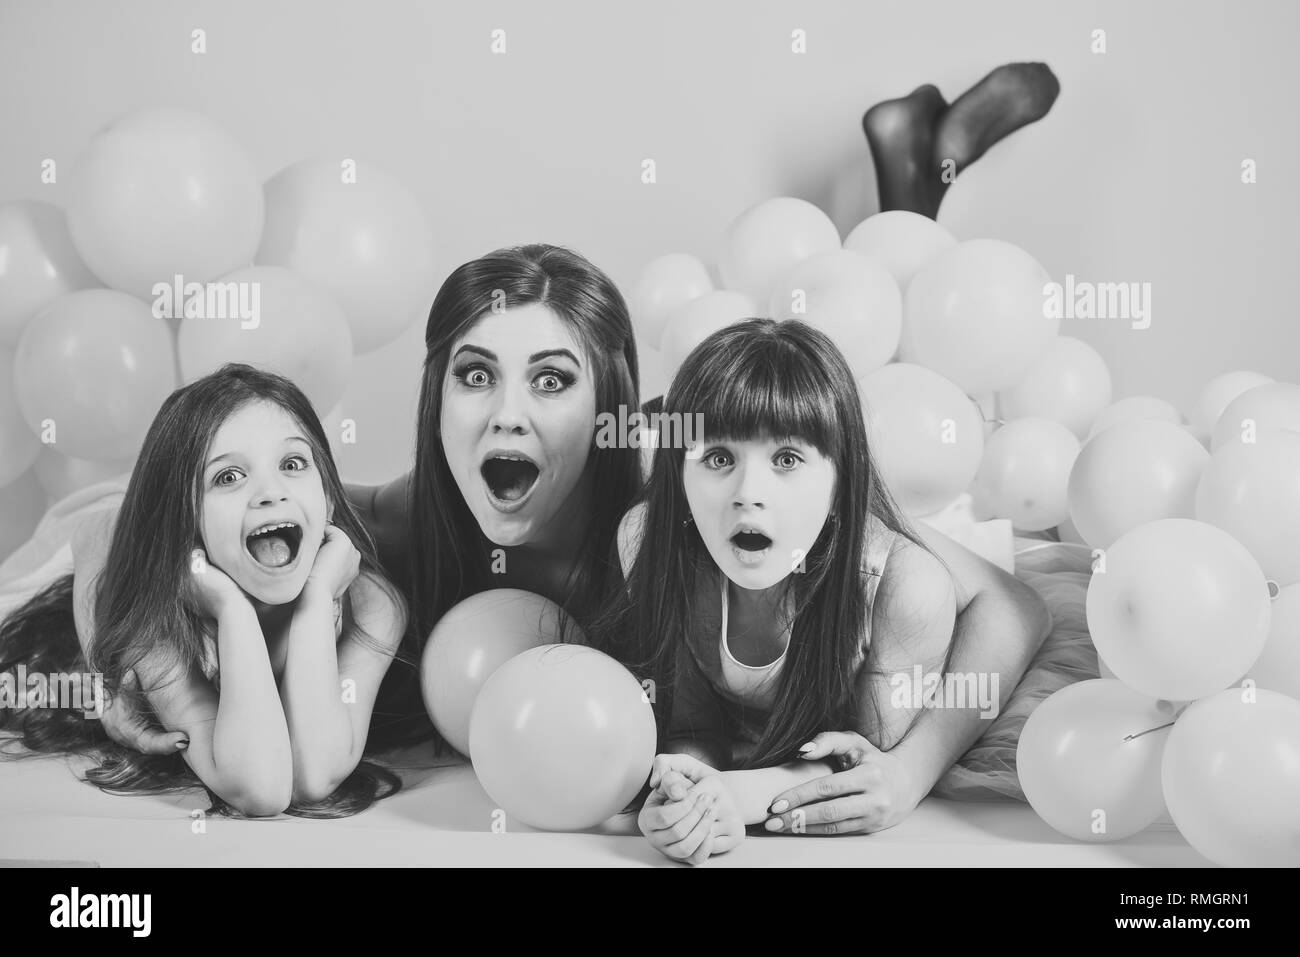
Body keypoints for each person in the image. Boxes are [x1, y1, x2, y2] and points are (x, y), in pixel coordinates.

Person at [602, 320, 1053, 863]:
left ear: (842, 486)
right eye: (719, 459)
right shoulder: (648, 540)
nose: (749, 495)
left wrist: (740, 797)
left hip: (903, 606)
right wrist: (685, 790)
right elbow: (695, 725)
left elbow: (864, 760)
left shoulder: (904, 587)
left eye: (785, 460)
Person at [0, 364, 408, 817]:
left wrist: (315, 603)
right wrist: (230, 609)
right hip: (92, 558)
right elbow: (260, 789)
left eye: (293, 464)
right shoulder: (158, 622)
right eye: (228, 477)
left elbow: (315, 774)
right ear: (186, 521)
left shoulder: (371, 605)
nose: (271, 492)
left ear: (330, 498)